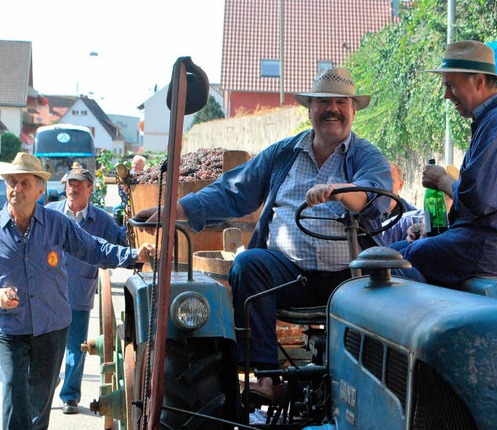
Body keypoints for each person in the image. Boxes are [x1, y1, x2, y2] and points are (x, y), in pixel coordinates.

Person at [136, 67, 392, 404]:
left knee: (406, 280)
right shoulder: (283, 154)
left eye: (341, 102)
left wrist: (338, 191)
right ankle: (267, 378)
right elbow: (232, 191)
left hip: (348, 278)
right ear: (309, 109)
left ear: (353, 110)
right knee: (248, 264)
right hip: (291, 275)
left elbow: (374, 195)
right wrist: (173, 212)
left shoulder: (366, 156)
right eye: (323, 102)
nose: (332, 109)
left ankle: (379, 384)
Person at [0, 153, 152, 430]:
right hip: (10, 329)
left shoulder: (56, 224)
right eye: (12, 182)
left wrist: (135, 255)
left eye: (24, 183)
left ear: (40, 190)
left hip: (51, 326)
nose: (17, 189)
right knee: (13, 392)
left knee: (39, 399)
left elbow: (95, 248)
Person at [395, 40, 497, 288]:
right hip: (477, 239)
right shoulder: (493, 119)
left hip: (484, 246)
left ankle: (425, 323)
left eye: (451, 85)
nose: (447, 95)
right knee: (398, 248)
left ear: (479, 81)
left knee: (391, 262)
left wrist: (441, 180)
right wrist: (435, 230)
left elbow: (477, 200)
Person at [46, 167, 127, 415]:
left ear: (90, 189)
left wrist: (132, 218)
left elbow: (121, 241)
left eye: (79, 185)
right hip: (48, 293)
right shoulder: (50, 213)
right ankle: (46, 385)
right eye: (70, 184)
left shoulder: (101, 220)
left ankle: (69, 396)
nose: (73, 188)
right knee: (46, 345)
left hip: (79, 292)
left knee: (75, 348)